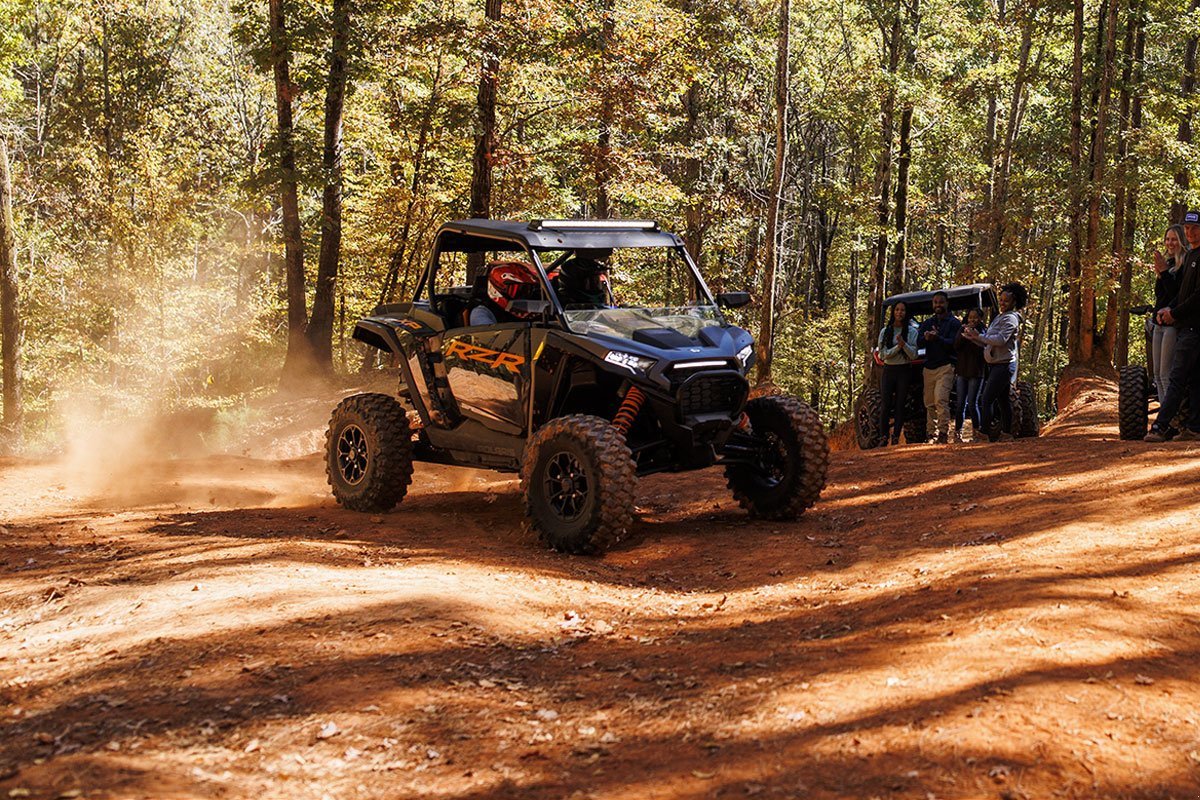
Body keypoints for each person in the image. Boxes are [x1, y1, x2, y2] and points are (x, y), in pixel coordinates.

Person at [1145, 210, 1200, 442]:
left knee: (1175, 376)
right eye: (1187, 228)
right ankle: (1195, 427)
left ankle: (1161, 426)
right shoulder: (1191, 257)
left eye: (1194, 229)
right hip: (1184, 324)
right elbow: (1182, 294)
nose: (1190, 232)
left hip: (1192, 327)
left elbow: (1197, 296)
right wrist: (1167, 310)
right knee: (1194, 379)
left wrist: (1174, 313)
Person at [963, 282, 1027, 442]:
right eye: (1001, 299)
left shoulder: (1011, 319)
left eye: (1006, 300)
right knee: (1003, 400)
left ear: (1014, 302)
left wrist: (979, 336)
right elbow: (989, 342)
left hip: (1003, 365)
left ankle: (984, 434)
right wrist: (974, 338)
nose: (1002, 303)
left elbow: (1000, 340)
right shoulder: (1000, 317)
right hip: (996, 364)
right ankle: (1007, 433)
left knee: (986, 399)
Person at [1149, 224, 1188, 402]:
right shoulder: (1169, 262)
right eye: (1167, 239)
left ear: (1181, 241)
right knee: (1157, 375)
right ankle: (1163, 417)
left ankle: (1168, 419)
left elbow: (1177, 294)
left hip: (1172, 325)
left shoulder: (1185, 263)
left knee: (1166, 374)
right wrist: (1161, 273)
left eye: (1174, 239)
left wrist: (1164, 272)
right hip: (1158, 323)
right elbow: (1161, 295)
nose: (1170, 243)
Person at [916, 291, 962, 444]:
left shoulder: (954, 323)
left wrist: (938, 338)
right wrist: (927, 337)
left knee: (940, 399)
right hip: (929, 367)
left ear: (947, 304)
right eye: (935, 302)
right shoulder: (928, 323)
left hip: (946, 366)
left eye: (941, 302)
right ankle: (931, 434)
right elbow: (918, 342)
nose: (938, 305)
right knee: (929, 402)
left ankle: (943, 433)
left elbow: (955, 344)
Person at [877, 301, 918, 446]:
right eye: (897, 310)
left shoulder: (912, 332)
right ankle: (883, 437)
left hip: (904, 370)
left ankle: (896, 437)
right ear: (893, 312)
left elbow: (913, 354)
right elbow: (882, 355)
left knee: (901, 404)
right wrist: (897, 348)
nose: (900, 313)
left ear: (906, 313)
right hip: (889, 370)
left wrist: (904, 345)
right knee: (886, 404)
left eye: (903, 310)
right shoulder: (885, 331)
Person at [468, 260, 543, 325]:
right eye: (516, 290)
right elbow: (488, 338)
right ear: (496, 289)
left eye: (527, 290)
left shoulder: (531, 312)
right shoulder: (480, 313)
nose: (523, 295)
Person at [953, 307, 986, 443]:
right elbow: (956, 346)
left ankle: (976, 432)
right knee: (960, 403)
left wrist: (973, 337)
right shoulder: (962, 329)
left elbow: (983, 349)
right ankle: (957, 433)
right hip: (962, 371)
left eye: (975, 318)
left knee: (972, 403)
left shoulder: (983, 331)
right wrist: (964, 336)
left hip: (976, 372)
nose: (972, 320)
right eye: (970, 317)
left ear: (980, 319)